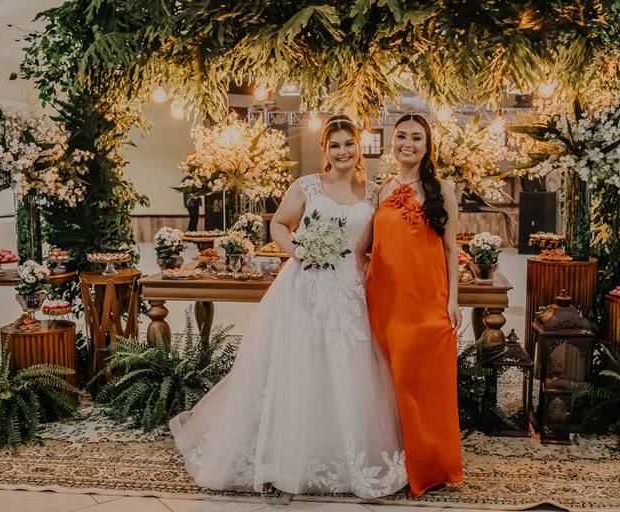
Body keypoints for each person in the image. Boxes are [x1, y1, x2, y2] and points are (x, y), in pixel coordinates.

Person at [170, 115, 407, 497]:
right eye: (335, 145)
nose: (343, 151)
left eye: (349, 143)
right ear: (325, 150)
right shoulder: (307, 186)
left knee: (348, 368)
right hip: (305, 287)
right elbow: (279, 225)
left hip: (351, 291)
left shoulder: (373, 193)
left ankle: (339, 452)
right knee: (299, 366)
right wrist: (299, 250)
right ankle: (283, 454)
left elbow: (385, 238)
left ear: (358, 147)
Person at [366, 114, 464, 497]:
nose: (408, 144)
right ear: (392, 142)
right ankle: (399, 463)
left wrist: (453, 300)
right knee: (393, 383)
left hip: (427, 301)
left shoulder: (442, 189)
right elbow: (369, 246)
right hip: (385, 301)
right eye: (401, 136)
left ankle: (431, 466)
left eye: (416, 138)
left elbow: (451, 249)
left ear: (427, 146)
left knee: (425, 384)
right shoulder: (381, 190)